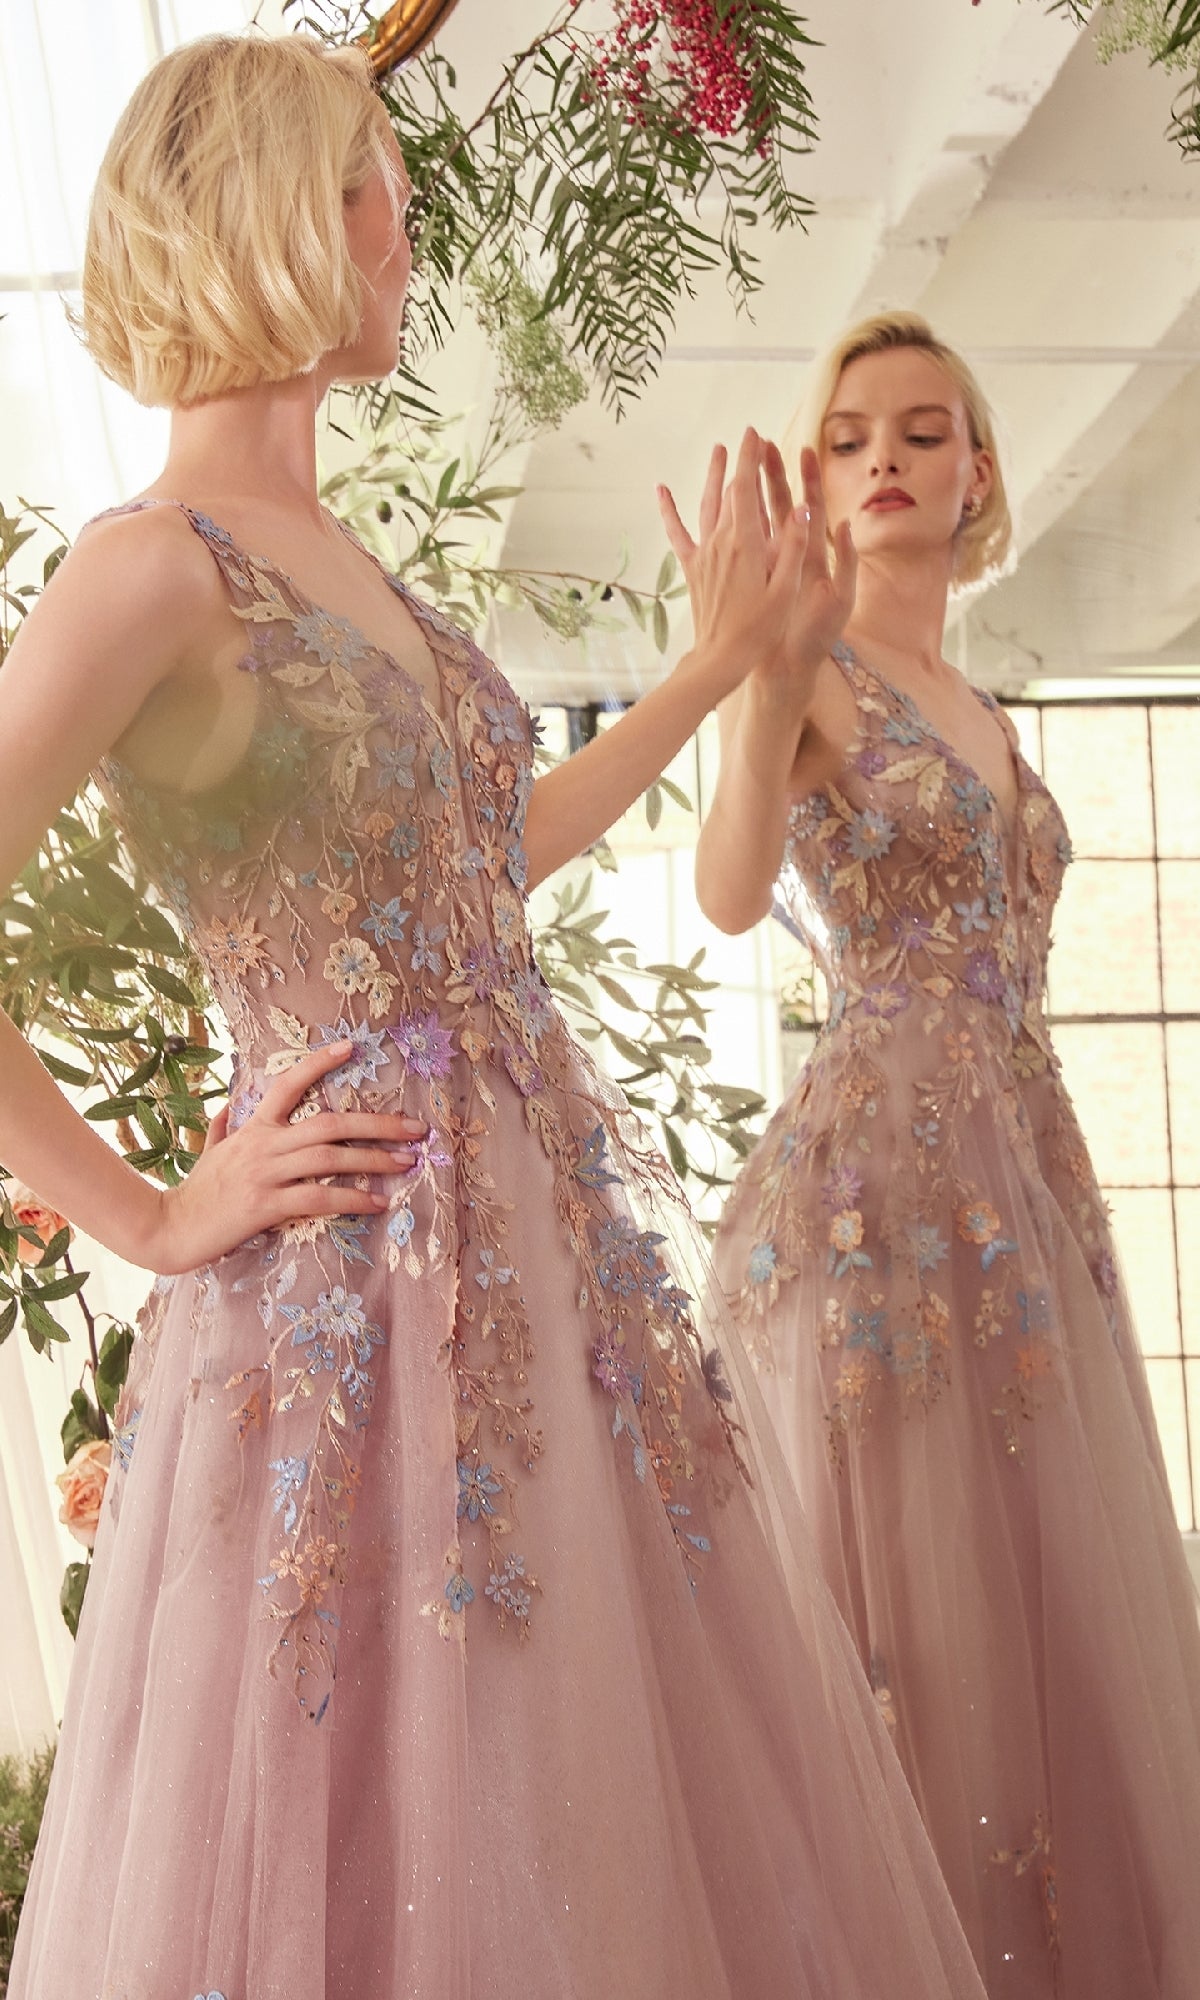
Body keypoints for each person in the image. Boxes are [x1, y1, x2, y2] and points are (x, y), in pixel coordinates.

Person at [1, 38, 989, 2000]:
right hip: (349, 1292)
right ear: (279, 213)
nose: (406, 227)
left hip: (553, 1283)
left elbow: (489, 857)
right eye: (376, 184)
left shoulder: (356, 567)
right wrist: (146, 1212)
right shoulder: (146, 570)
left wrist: (714, 668)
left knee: (586, 1812)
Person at [689, 309, 1200, 1999]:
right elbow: (729, 885)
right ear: (819, 483)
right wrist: (765, 679)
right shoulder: (814, 674)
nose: (887, 457)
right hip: (879, 1215)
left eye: (923, 429)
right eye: (850, 437)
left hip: (1028, 1193)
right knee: (916, 1630)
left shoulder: (976, 697)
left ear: (978, 468)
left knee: (1058, 1619)